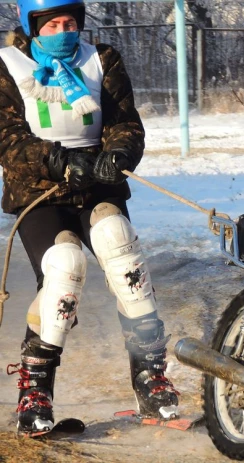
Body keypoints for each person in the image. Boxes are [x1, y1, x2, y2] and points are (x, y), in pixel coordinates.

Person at [0, 0, 179, 434]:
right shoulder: (8, 65)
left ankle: (151, 381)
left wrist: (117, 153)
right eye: (54, 24)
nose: (65, 30)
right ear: (33, 25)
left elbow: (125, 122)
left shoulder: (101, 59)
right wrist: (55, 160)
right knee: (64, 269)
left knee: (123, 255)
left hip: (99, 183)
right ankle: (35, 393)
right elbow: (7, 138)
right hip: (40, 192)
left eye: (71, 22)